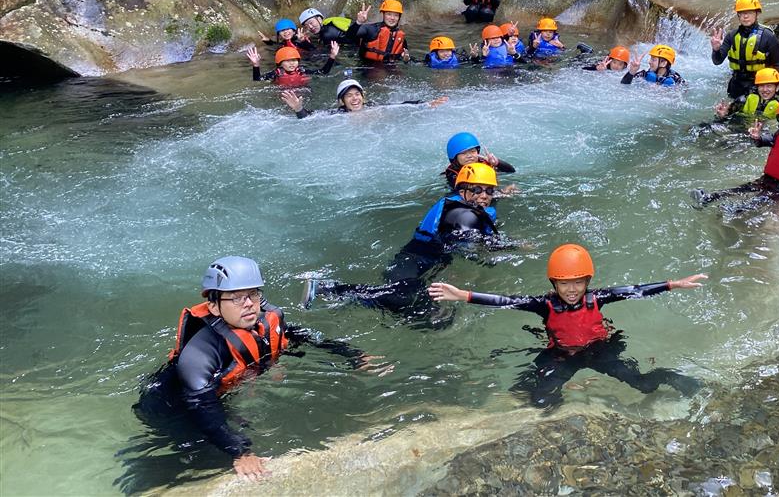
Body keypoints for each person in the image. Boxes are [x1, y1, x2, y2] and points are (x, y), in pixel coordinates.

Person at [135, 256, 364, 481]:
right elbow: (201, 404)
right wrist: (239, 451)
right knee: (200, 459)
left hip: (212, 396)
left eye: (252, 294)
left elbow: (299, 336)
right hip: (171, 406)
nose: (247, 304)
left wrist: (353, 355)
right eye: (235, 298)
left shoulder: (261, 322)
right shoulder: (199, 355)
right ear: (214, 306)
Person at [429, 244, 705, 407]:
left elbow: (635, 290)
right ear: (554, 283)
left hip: (599, 350)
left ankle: (668, 376)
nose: (571, 289)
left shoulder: (599, 297)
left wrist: (672, 284)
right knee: (538, 399)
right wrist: (462, 295)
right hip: (562, 354)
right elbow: (504, 300)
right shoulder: (543, 304)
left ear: (587, 282)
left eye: (578, 283)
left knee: (643, 386)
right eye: (564, 283)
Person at [301, 164, 516, 322]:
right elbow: (471, 244)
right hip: (413, 261)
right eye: (477, 190)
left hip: (423, 265)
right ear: (463, 191)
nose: (484, 196)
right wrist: (510, 248)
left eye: (489, 190)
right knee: (403, 301)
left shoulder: (461, 205)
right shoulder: (464, 216)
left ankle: (348, 299)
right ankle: (328, 288)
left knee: (432, 319)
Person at [692, 97, 779, 218]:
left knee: (761, 199)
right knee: (744, 188)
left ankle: (733, 212)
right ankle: (709, 197)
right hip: (770, 178)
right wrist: (757, 137)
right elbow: (768, 140)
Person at [710, 0, 779, 99]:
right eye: (742, 13)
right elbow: (717, 61)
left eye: (749, 13)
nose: (745, 16)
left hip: (759, 85)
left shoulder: (768, 36)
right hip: (736, 85)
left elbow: (777, 64)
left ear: (757, 14)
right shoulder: (732, 35)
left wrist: (775, 91)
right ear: (738, 16)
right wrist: (716, 49)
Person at [280, 79, 447, 118]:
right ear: (341, 101)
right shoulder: (337, 114)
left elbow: (400, 105)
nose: (355, 99)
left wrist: (425, 104)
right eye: (349, 95)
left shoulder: (373, 106)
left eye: (357, 94)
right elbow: (310, 118)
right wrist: (298, 109)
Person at [442, 131, 516, 191]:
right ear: (454, 158)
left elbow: (511, 171)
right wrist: (503, 192)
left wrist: (497, 163)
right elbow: (466, 191)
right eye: (463, 153)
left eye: (472, 151)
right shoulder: (452, 173)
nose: (469, 156)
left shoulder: (484, 162)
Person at [245, 43, 337, 86]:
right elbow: (257, 79)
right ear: (280, 63)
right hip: (284, 95)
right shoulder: (277, 73)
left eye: (294, 60)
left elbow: (323, 72)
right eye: (287, 61)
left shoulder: (301, 70)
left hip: (303, 92)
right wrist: (256, 65)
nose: (292, 63)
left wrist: (332, 56)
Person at [355, 0, 409, 64]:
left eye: (396, 15)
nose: (392, 18)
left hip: (389, 70)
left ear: (399, 17)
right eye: (389, 14)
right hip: (368, 68)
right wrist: (358, 22)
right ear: (383, 14)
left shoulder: (401, 38)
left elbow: (403, 57)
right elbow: (349, 36)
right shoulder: (371, 29)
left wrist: (406, 60)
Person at [715, 68, 779, 121]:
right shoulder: (744, 100)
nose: (764, 90)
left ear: (777, 88)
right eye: (761, 86)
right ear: (757, 87)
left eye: (769, 86)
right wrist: (723, 114)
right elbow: (729, 114)